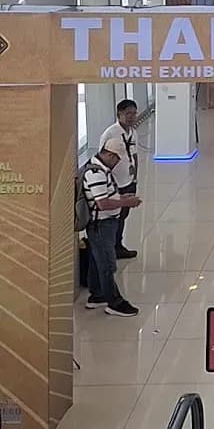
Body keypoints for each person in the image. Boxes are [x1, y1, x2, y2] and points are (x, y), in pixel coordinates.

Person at [83, 136, 141, 316]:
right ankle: (114, 302)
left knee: (96, 260)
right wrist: (126, 203)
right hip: (101, 224)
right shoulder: (96, 174)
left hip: (104, 223)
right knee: (107, 264)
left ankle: (97, 294)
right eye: (116, 158)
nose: (117, 162)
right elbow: (102, 203)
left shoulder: (101, 169)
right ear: (107, 154)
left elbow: (106, 197)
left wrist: (122, 198)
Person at [99, 99, 139, 260]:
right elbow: (102, 157)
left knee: (123, 215)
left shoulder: (133, 132)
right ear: (119, 114)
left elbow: (134, 155)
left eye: (134, 113)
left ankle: (118, 245)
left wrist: (135, 177)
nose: (131, 116)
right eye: (127, 113)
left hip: (128, 180)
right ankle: (110, 248)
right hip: (114, 182)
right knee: (113, 216)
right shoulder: (110, 133)